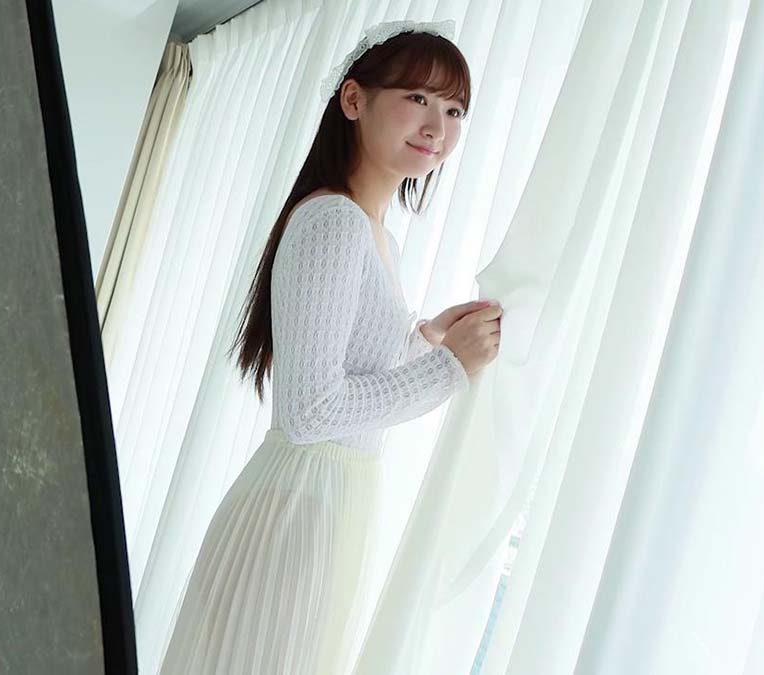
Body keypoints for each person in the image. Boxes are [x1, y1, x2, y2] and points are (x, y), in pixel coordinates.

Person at [157, 19, 502, 675]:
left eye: (455, 109)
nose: (438, 126)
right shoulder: (334, 221)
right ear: (353, 99)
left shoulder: (374, 233)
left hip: (325, 502)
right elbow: (311, 410)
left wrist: (426, 337)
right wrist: (448, 368)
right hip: (300, 508)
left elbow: (351, 366)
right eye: (417, 98)